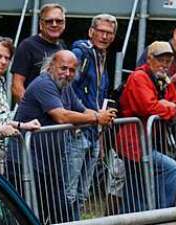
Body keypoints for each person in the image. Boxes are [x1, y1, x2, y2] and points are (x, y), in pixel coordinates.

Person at [12, 50, 115, 223]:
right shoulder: (44, 84)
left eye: (72, 70)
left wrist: (103, 115)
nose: (67, 74)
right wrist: (97, 118)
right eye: (63, 68)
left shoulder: (65, 87)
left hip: (50, 162)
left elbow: (81, 110)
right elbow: (62, 116)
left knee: (61, 213)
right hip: (27, 161)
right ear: (51, 66)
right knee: (27, 219)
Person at [118, 41, 176, 212]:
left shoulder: (162, 79)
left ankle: (151, 219)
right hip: (133, 144)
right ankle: (160, 217)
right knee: (169, 171)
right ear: (149, 59)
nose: (164, 65)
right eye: (160, 59)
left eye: (168, 61)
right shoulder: (139, 77)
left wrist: (171, 106)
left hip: (144, 143)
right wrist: (169, 107)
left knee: (137, 190)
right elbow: (148, 108)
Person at [68, 14, 117, 214]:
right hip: (77, 132)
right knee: (69, 193)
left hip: (94, 134)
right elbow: (68, 89)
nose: (104, 37)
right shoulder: (81, 54)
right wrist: (89, 115)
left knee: (82, 194)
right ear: (91, 32)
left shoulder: (102, 57)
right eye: (101, 31)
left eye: (109, 33)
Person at [11, 3, 66, 102]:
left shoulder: (62, 48)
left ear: (64, 24)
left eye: (59, 21)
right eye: (49, 21)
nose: (54, 24)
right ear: (41, 24)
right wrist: (30, 108)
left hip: (58, 111)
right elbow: (16, 86)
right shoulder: (27, 46)